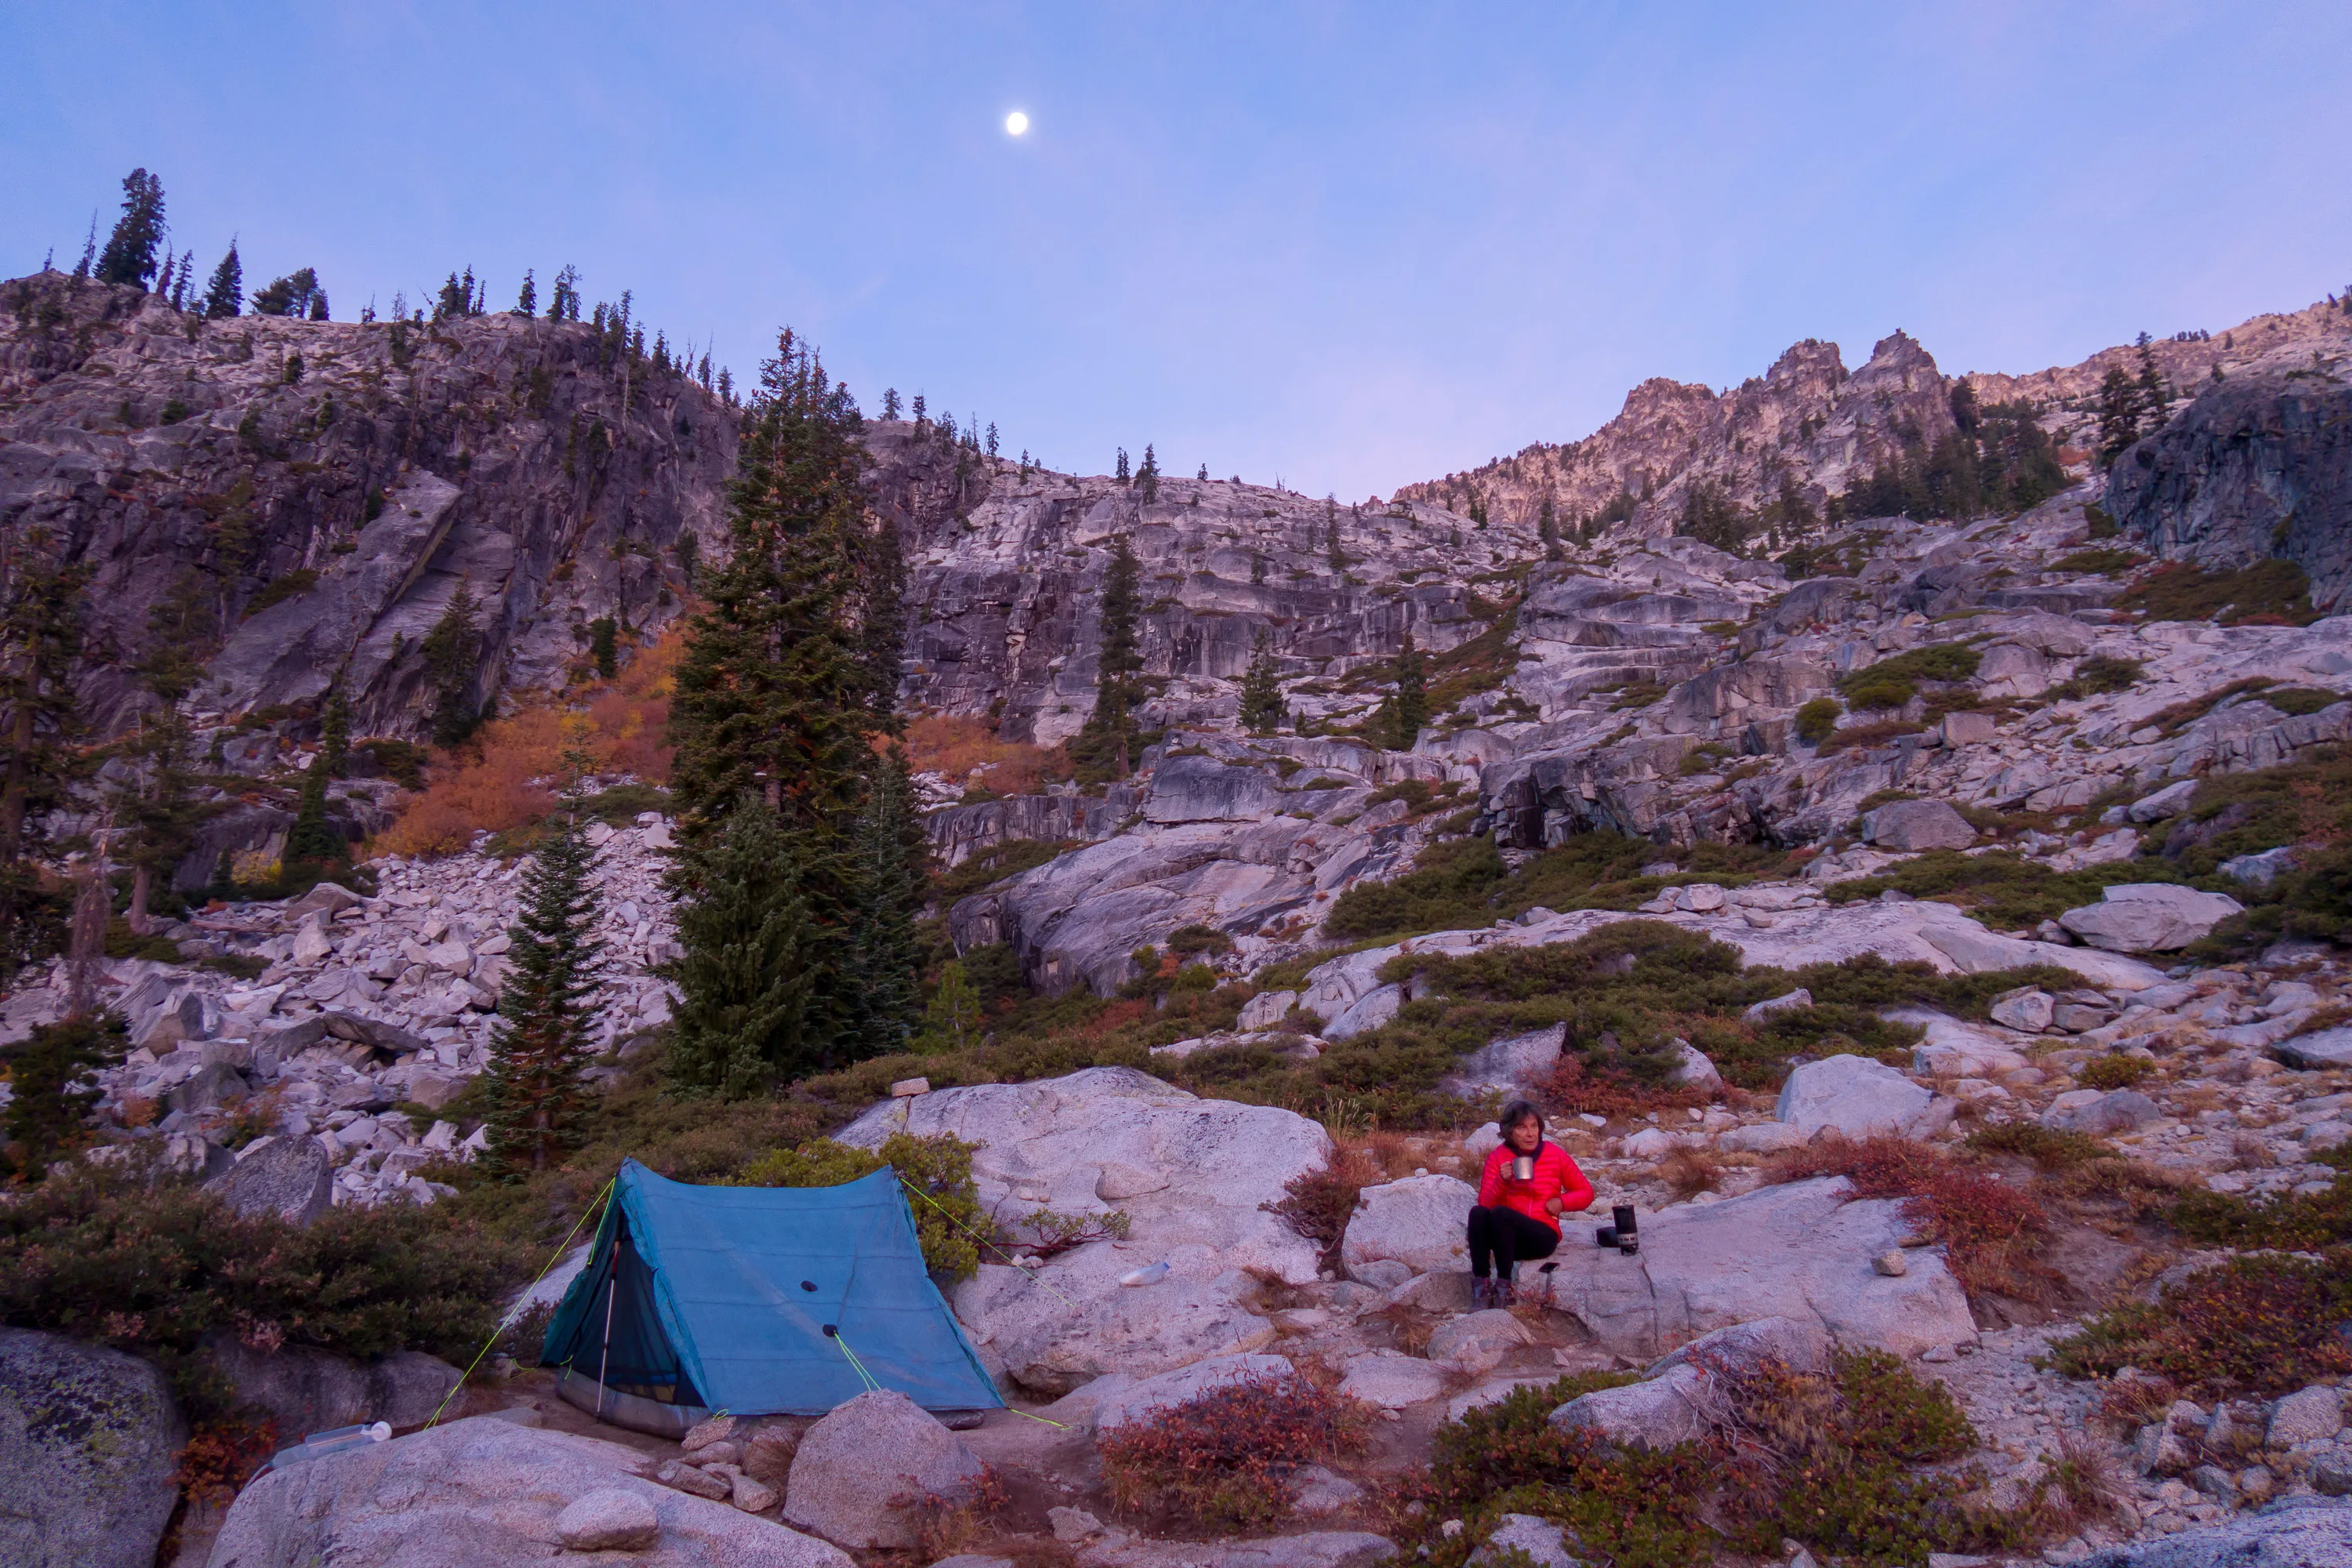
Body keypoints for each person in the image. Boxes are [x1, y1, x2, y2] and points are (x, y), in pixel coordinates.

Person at [1468, 1099, 1594, 1307]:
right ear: (1509, 1132)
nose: (1530, 1133)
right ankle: (1481, 1288)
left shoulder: (1554, 1154)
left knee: (1501, 1214)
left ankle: (1504, 1290)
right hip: (1505, 1240)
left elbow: (1586, 1193)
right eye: (1522, 1127)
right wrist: (1502, 1181)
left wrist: (1562, 1202)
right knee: (1478, 1213)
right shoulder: (1497, 1157)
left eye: (1534, 1126)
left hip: (1541, 1235)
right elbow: (1485, 1204)